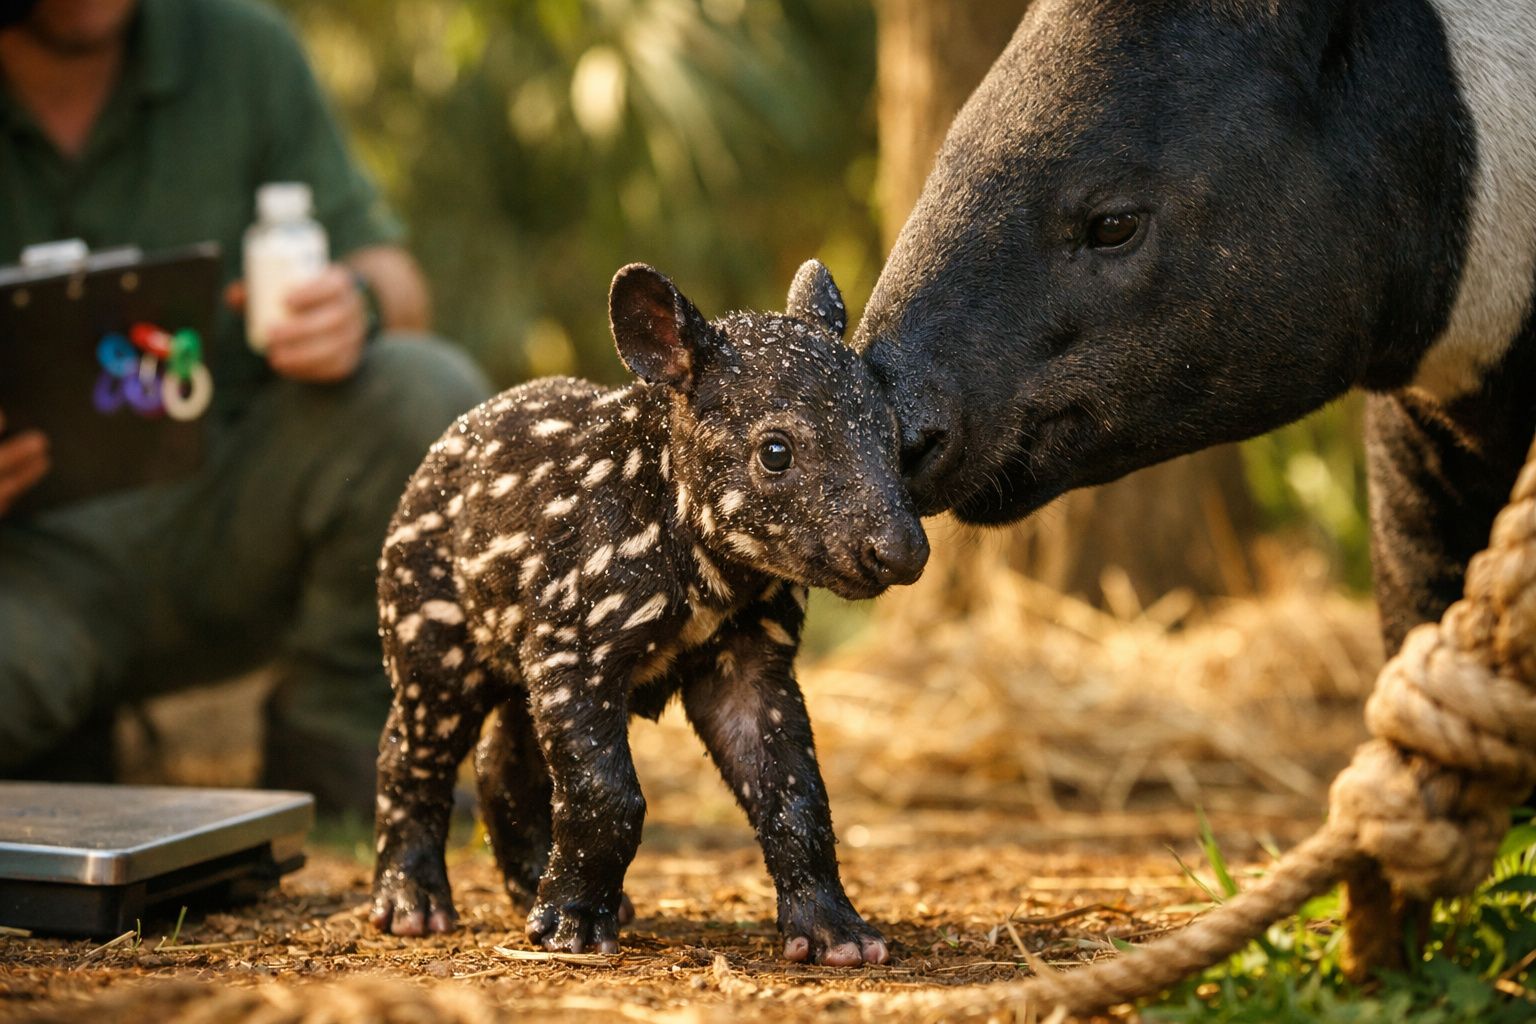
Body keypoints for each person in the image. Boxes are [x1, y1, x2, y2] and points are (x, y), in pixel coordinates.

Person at [0, 0, 492, 813]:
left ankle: (339, 737)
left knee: (424, 388)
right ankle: (60, 738)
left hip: (224, 517)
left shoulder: (242, 48)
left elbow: (397, 281)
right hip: (29, 575)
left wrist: (358, 304)